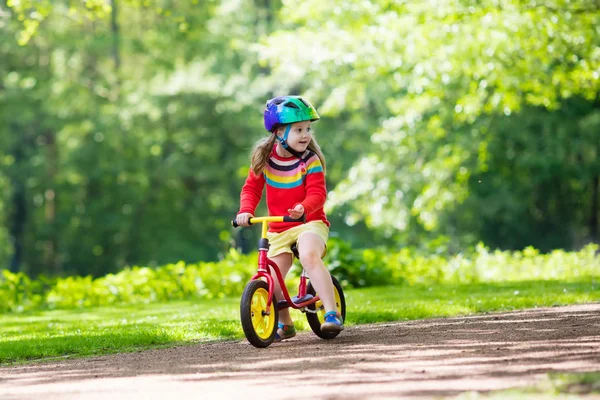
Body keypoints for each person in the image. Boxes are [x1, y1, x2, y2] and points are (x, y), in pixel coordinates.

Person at [235, 95, 343, 341]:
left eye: (308, 129)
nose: (306, 135)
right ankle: (285, 324)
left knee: (308, 255)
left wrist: (304, 208)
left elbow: (318, 193)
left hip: (309, 222)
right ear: (279, 132)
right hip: (279, 228)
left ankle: (332, 313)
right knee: (271, 278)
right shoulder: (264, 160)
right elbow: (251, 189)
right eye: (298, 130)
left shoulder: (310, 160)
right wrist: (245, 211)